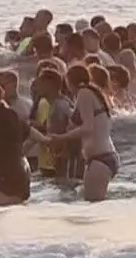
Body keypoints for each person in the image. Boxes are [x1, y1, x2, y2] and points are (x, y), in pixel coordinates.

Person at [43, 63, 119, 202]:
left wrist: (61, 138)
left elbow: (87, 127)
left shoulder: (84, 93)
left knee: (93, 207)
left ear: (69, 80)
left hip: (100, 159)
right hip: (103, 157)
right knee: (90, 205)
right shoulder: (91, 93)